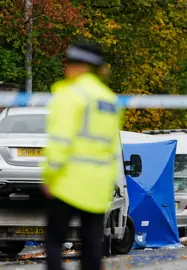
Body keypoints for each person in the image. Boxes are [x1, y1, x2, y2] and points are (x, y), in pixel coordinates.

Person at [41, 40, 122, 270]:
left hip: (68, 182)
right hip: (97, 186)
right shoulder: (109, 100)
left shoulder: (70, 95)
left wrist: (50, 176)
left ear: (81, 66)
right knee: (91, 245)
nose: (66, 67)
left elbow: (60, 141)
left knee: (55, 240)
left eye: (69, 62)